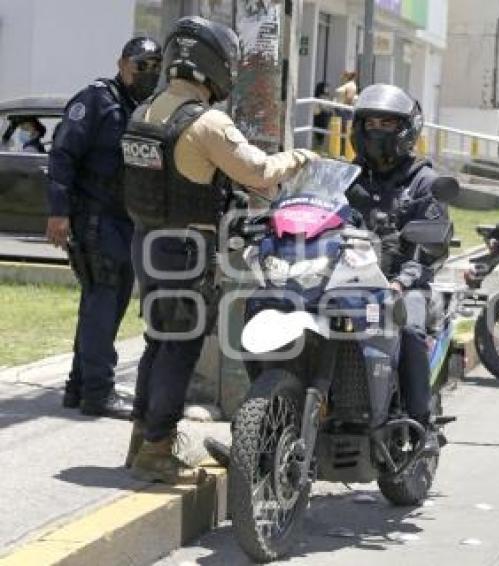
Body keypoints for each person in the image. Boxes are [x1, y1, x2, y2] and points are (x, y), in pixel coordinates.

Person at [121, 16, 316, 484]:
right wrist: (301, 158)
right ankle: (157, 448)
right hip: (185, 247)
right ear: (213, 64)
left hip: (147, 240)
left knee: (158, 339)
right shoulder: (207, 122)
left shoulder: (146, 111)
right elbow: (259, 171)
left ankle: (143, 438)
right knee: (180, 346)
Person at [47, 36, 163, 418]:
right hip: (96, 219)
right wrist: (59, 213)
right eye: (141, 65)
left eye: (155, 66)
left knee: (102, 304)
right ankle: (98, 392)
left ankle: (79, 387)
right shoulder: (96, 99)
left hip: (123, 220)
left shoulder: (139, 106)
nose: (148, 72)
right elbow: (63, 155)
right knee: (103, 303)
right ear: (123, 63)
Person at [345, 83, 448, 455]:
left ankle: (422, 429)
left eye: (387, 123)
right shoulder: (348, 177)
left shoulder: (424, 181)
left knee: (408, 330)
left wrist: (402, 282)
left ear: (406, 130)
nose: (376, 130)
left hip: (403, 284)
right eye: (370, 121)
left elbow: (432, 244)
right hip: (348, 282)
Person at [312, 81, 332, 149]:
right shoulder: (318, 98)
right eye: (326, 87)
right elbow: (316, 112)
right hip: (320, 120)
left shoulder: (326, 98)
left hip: (326, 120)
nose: (327, 89)